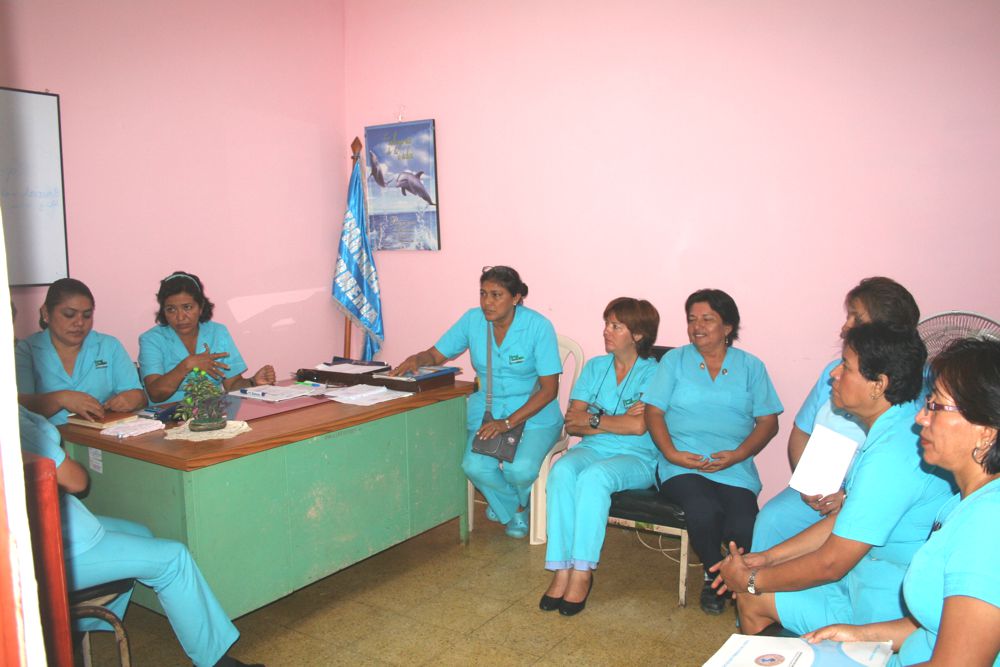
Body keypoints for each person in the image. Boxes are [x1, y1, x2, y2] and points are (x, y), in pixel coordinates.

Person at [714, 323, 954, 635]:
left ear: (878, 385)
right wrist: (765, 558)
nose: (834, 374)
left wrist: (750, 581)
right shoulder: (900, 422)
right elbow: (847, 520)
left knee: (752, 598)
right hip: (864, 579)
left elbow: (832, 563)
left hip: (885, 608)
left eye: (846, 367)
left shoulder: (890, 457)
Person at [803, 337, 1000, 666]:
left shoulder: (987, 526)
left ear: (985, 431)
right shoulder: (961, 504)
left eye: (935, 405)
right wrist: (858, 633)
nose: (920, 417)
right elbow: (935, 628)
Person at [18, 405, 261, 667]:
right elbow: (76, 480)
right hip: (55, 547)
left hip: (70, 524)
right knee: (173, 558)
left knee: (141, 534)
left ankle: (80, 625)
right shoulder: (13, 423)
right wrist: (62, 455)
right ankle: (214, 662)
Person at [391, 266, 562, 538]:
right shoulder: (473, 321)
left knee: (521, 470)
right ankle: (515, 508)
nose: (487, 302)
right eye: (483, 294)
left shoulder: (538, 326)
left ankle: (505, 499)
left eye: (496, 295)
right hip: (487, 410)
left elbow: (549, 390)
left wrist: (507, 423)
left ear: (516, 297)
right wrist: (418, 359)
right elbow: (436, 354)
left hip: (534, 414)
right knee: (474, 466)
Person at [752, 277, 921, 551]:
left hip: (870, 497)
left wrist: (847, 497)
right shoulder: (833, 372)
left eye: (855, 317)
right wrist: (812, 485)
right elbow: (801, 431)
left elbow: (898, 477)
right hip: (822, 488)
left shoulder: (915, 392)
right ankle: (755, 584)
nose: (845, 326)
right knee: (771, 520)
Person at [642, 288, 783, 615]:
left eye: (707, 319)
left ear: (728, 327)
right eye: (692, 319)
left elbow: (767, 422)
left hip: (734, 465)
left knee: (744, 521)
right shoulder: (676, 360)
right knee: (703, 509)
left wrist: (737, 455)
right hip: (682, 463)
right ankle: (715, 576)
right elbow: (653, 413)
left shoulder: (751, 366)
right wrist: (672, 453)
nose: (697, 326)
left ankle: (735, 577)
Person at [539, 297, 662, 616]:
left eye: (615, 326)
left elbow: (639, 428)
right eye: (607, 324)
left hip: (638, 457)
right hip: (592, 449)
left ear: (637, 334)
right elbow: (572, 419)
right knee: (562, 470)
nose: (606, 331)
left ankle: (582, 571)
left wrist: (594, 419)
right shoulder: (595, 366)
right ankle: (561, 567)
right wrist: (610, 421)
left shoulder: (655, 373)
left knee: (595, 478)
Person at [15, 278, 146, 425]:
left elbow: (139, 396)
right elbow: (18, 404)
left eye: (87, 315)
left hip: (101, 436)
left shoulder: (108, 346)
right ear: (46, 313)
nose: (79, 323)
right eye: (69, 314)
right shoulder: (28, 350)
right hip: (46, 440)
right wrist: (61, 399)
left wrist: (133, 398)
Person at [139, 271, 275, 404]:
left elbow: (232, 385)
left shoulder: (217, 332)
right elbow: (155, 394)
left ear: (201, 307)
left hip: (213, 412)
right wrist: (187, 365)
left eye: (187, 307)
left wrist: (253, 382)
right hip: (167, 417)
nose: (180, 317)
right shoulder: (151, 340)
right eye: (171, 309)